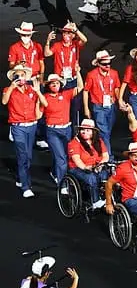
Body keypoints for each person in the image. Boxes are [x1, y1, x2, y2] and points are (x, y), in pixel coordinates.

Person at [3, 65, 47, 198]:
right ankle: (26, 186)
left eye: (22, 75)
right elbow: (4, 101)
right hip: (18, 126)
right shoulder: (8, 89)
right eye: (18, 76)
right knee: (23, 155)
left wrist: (38, 91)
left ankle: (21, 176)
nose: (20, 78)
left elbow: (44, 104)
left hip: (31, 125)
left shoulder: (31, 90)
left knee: (28, 156)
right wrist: (11, 87)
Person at [43, 72, 84, 186]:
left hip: (66, 129)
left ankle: (55, 172)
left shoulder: (66, 94)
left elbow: (80, 87)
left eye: (57, 83)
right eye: (52, 84)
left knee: (66, 155)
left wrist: (78, 72)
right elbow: (39, 113)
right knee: (61, 159)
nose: (55, 85)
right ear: (48, 86)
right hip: (53, 131)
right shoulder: (45, 98)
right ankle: (63, 185)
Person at [44, 22, 88, 128]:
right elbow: (47, 53)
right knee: (62, 105)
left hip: (73, 80)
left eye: (69, 33)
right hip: (61, 81)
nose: (66, 36)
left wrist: (76, 29)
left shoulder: (76, 44)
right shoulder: (57, 45)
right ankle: (63, 127)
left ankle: (74, 132)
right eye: (64, 33)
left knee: (75, 107)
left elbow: (85, 40)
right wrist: (48, 41)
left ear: (73, 35)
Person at [67, 119, 111, 209]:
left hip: (96, 166)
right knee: (91, 177)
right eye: (82, 129)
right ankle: (95, 201)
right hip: (78, 168)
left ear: (93, 132)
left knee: (106, 174)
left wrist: (101, 165)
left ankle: (106, 197)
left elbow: (106, 156)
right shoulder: (74, 143)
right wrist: (86, 167)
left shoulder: (99, 141)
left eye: (88, 130)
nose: (84, 132)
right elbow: (77, 160)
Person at [83, 50, 121, 152]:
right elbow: (85, 91)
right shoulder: (91, 75)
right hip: (98, 107)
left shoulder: (114, 73)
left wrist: (119, 101)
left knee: (107, 132)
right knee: (104, 133)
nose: (108, 66)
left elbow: (117, 88)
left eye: (109, 63)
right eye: (105, 64)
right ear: (99, 64)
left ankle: (100, 151)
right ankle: (108, 156)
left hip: (111, 106)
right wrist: (86, 108)